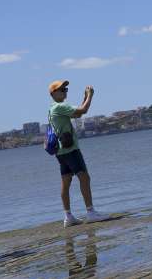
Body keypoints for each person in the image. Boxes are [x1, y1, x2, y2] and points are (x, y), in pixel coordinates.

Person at [47, 80, 109, 227]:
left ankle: (68, 217)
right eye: (62, 89)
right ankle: (91, 212)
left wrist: (84, 98)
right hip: (70, 150)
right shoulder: (60, 106)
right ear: (53, 93)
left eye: (65, 89)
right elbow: (83, 111)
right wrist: (90, 95)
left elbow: (78, 114)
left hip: (60, 151)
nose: (65, 92)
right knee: (84, 178)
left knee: (66, 182)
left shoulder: (52, 108)